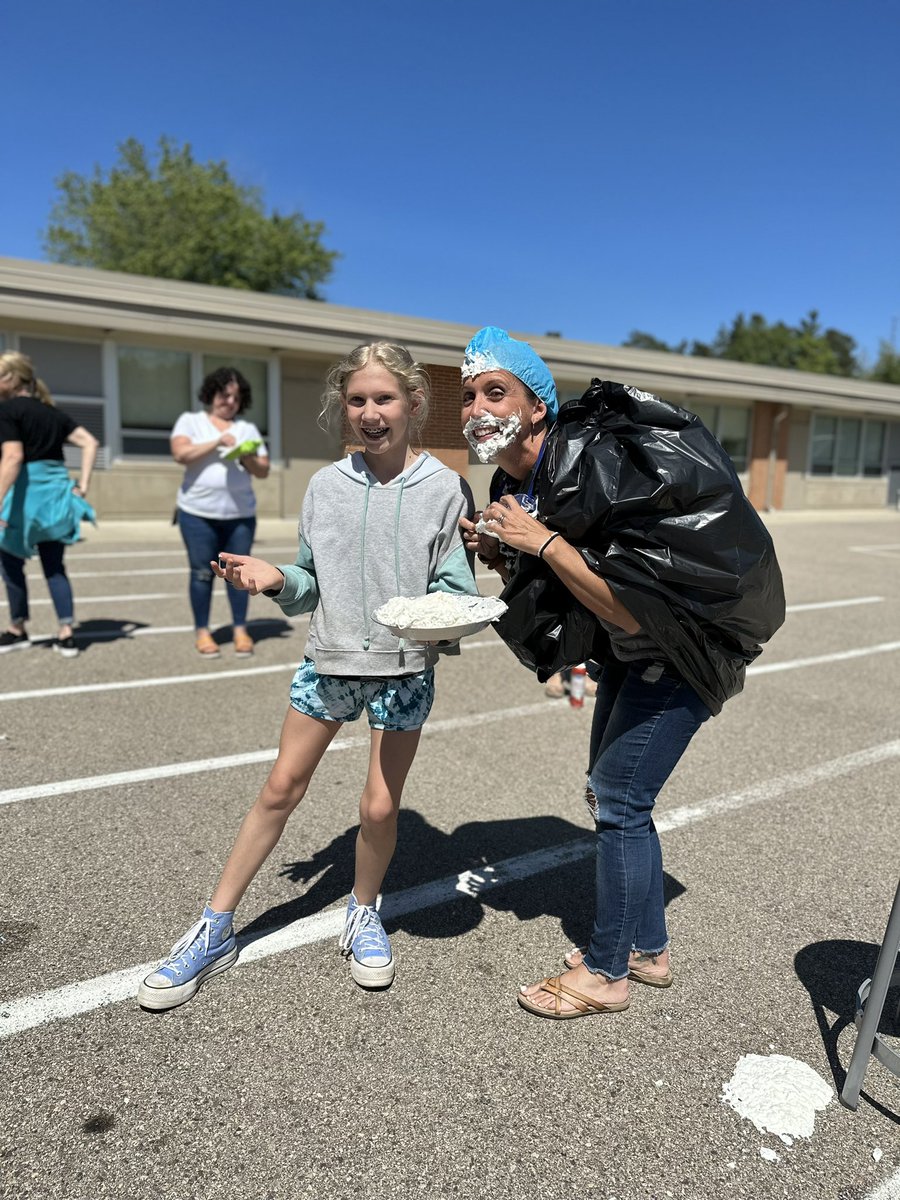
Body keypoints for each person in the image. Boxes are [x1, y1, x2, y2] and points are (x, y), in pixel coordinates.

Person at [138, 342, 477, 1010]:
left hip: (404, 670)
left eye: (384, 399)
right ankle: (215, 926)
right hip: (328, 663)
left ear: (414, 403)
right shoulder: (325, 486)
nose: (371, 412)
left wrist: (453, 617)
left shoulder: (445, 487)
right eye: (357, 400)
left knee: (380, 806)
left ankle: (363, 909)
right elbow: (306, 584)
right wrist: (273, 580)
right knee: (279, 790)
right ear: (342, 407)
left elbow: (454, 587)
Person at [459, 326, 784, 1020]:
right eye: (467, 396)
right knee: (612, 798)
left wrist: (538, 540)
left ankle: (607, 972)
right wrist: (501, 551)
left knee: (620, 798)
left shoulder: (596, 465)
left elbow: (637, 611)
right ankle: (647, 949)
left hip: (679, 652)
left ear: (537, 406)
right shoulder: (520, 479)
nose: (477, 408)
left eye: (495, 391)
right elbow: (558, 582)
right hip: (630, 660)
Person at [0, 351, 98, 657]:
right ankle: (66, 632)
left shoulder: (8, 411)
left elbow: (13, 458)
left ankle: (18, 629)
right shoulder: (53, 413)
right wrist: (82, 487)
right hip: (56, 499)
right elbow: (90, 442)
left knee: (10, 562)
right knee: (54, 567)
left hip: (23, 501)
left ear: (12, 379)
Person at [170, 366, 270, 658]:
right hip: (196, 513)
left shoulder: (247, 429)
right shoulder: (190, 421)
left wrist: (247, 454)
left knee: (238, 574)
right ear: (211, 394)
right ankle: (203, 631)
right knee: (201, 573)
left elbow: (262, 470)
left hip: (239, 516)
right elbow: (180, 454)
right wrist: (217, 441)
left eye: (236, 398)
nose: (229, 402)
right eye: (224, 395)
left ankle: (240, 628)